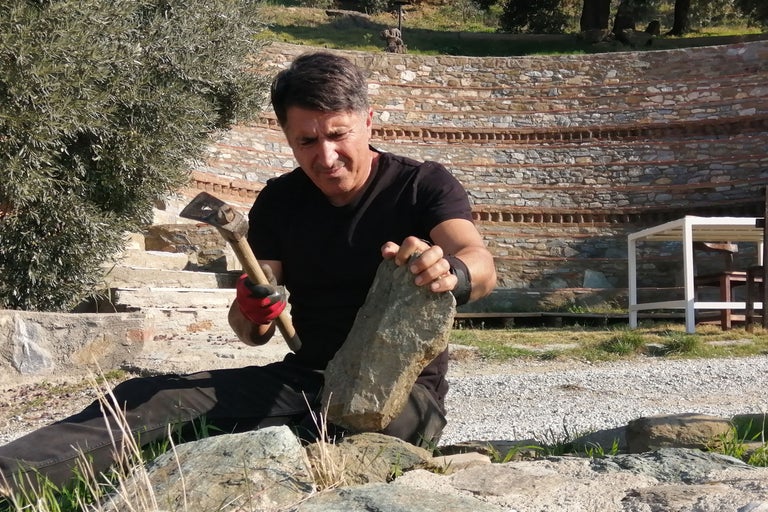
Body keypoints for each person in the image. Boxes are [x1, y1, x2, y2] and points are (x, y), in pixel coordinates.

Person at [0, 51, 497, 494]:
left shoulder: (422, 185)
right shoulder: (281, 200)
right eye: (306, 141)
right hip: (307, 378)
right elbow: (252, 332)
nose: (325, 157)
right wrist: (254, 308)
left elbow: (480, 261)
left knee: (316, 423)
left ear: (368, 121)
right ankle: (9, 476)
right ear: (286, 135)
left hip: (401, 399)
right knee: (143, 398)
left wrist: (448, 269)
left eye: (338, 135)